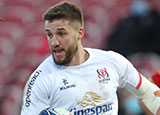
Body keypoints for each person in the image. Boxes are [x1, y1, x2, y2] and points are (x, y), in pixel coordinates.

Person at [20, 1, 160, 115]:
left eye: (61, 34)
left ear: (79, 33)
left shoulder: (112, 61)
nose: (54, 42)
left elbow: (148, 92)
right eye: (49, 35)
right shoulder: (39, 80)